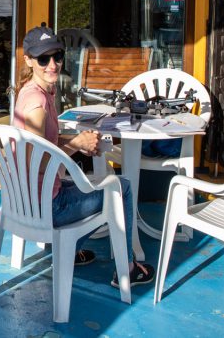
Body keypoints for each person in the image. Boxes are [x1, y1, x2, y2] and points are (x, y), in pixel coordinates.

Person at [12, 24, 156, 287]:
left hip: (27, 200)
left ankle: (70, 250)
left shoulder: (29, 92)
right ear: (28, 60)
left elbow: (45, 143)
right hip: (48, 207)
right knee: (121, 188)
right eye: (43, 59)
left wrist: (80, 143)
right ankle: (128, 268)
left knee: (86, 183)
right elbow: (39, 159)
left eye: (57, 56)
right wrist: (77, 142)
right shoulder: (38, 103)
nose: (52, 64)